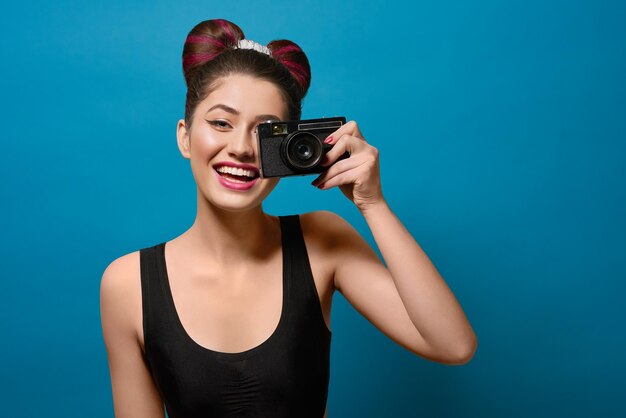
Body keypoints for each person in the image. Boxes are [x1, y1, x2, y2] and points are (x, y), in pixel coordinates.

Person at [100, 18, 477, 418]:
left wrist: (373, 204)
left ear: (290, 150)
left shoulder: (322, 240)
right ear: (185, 136)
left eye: (265, 133)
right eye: (221, 123)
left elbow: (453, 345)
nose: (242, 148)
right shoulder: (128, 284)